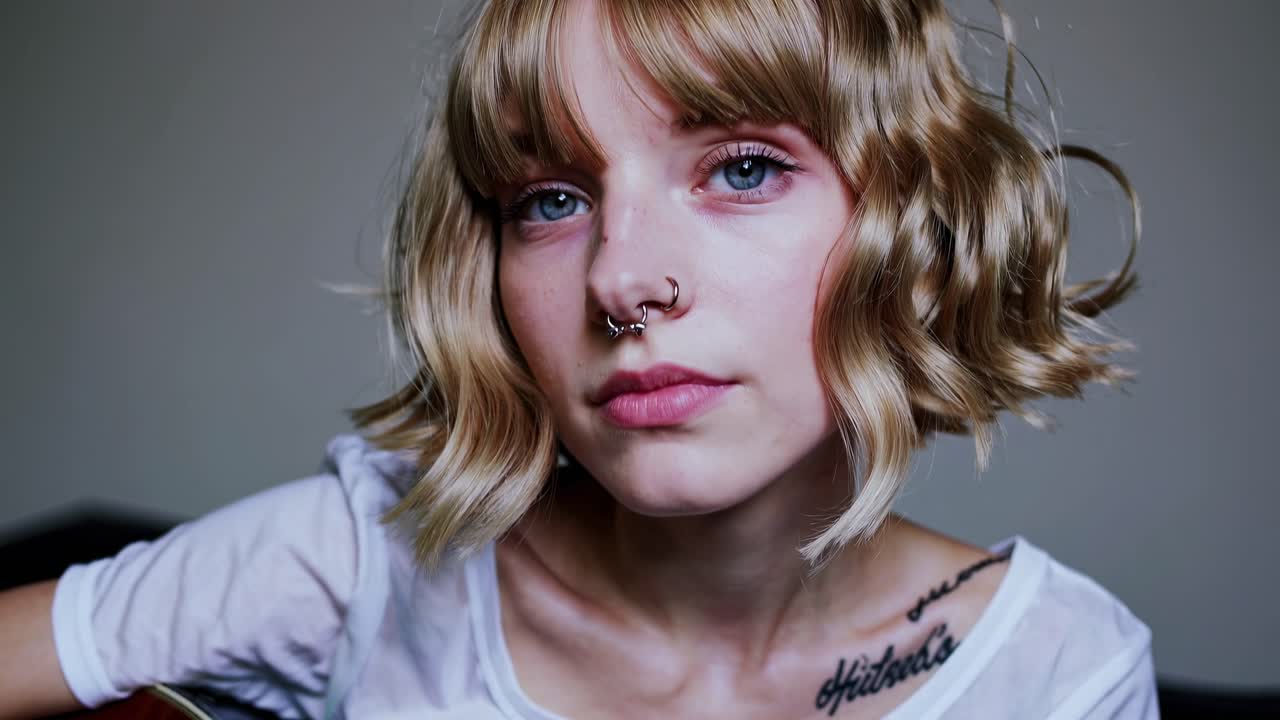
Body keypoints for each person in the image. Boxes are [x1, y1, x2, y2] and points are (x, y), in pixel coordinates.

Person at [0, 0, 1156, 717]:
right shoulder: (366, 562)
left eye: (742, 168)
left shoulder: (1056, 675)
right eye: (549, 200)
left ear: (909, 221)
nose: (618, 279)